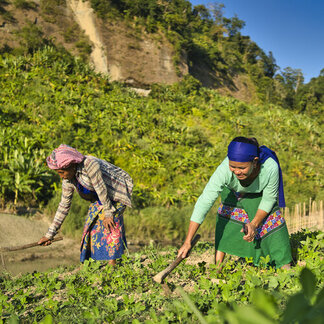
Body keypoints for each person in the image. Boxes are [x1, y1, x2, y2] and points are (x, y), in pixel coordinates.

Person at [178, 137, 292, 269]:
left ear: (255, 162)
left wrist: (254, 224)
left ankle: (283, 264)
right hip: (233, 192)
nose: (237, 171)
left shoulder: (270, 167)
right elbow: (205, 201)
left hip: (260, 196)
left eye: (242, 168)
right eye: (232, 166)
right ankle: (218, 268)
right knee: (226, 217)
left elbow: (269, 199)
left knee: (272, 218)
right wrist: (187, 241)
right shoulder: (224, 170)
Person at [38, 144, 133, 266]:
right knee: (91, 226)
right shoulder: (68, 180)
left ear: (71, 166)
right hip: (99, 198)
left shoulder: (90, 164)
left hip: (116, 193)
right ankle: (93, 264)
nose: (61, 176)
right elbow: (63, 206)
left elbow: (101, 188)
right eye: (59, 173)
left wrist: (109, 213)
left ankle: (113, 263)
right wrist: (49, 235)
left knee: (110, 224)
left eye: (62, 172)